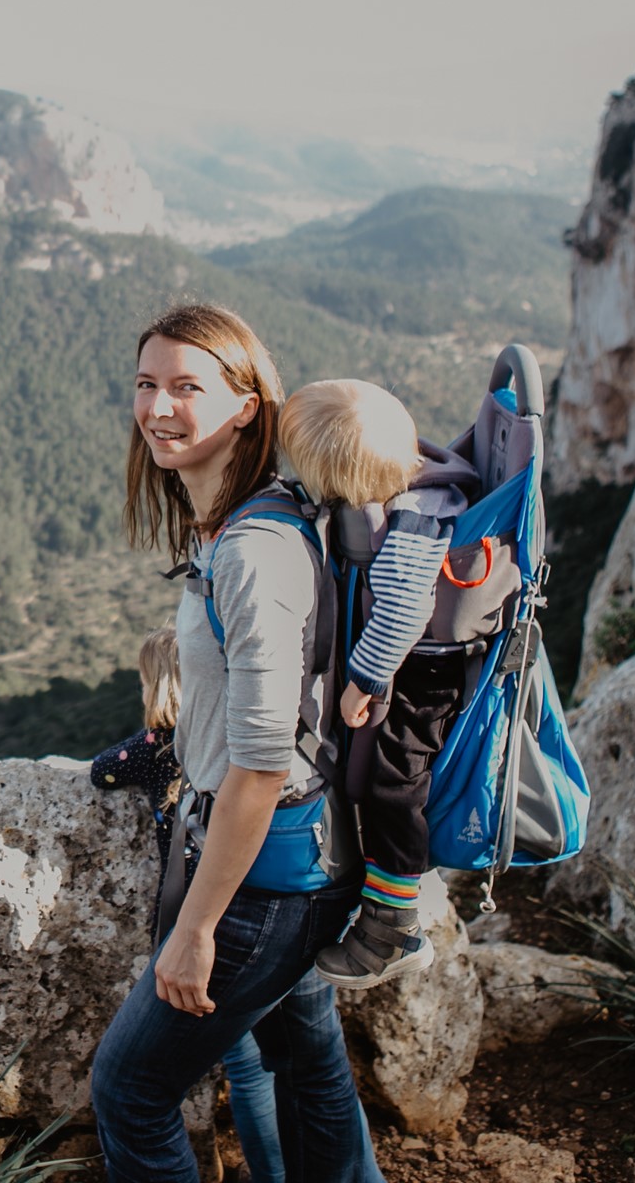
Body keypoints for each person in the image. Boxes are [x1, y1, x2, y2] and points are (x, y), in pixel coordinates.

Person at [88, 303, 384, 1183]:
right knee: (306, 1068)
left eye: (188, 387)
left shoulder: (253, 550)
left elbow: (260, 763)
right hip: (301, 865)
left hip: (263, 883)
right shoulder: (252, 517)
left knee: (130, 1091)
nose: (159, 408)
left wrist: (197, 928)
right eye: (147, 385)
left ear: (248, 403)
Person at [278, 379, 466, 990]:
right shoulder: (414, 482)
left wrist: (364, 679)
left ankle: (393, 927)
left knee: (392, 784)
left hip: (421, 673)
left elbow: (404, 611)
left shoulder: (415, 521)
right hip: (409, 663)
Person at [90, 627, 286, 1183]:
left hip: (196, 925)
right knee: (277, 1065)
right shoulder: (233, 739)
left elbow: (100, 771)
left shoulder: (155, 750)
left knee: (238, 1066)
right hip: (263, 909)